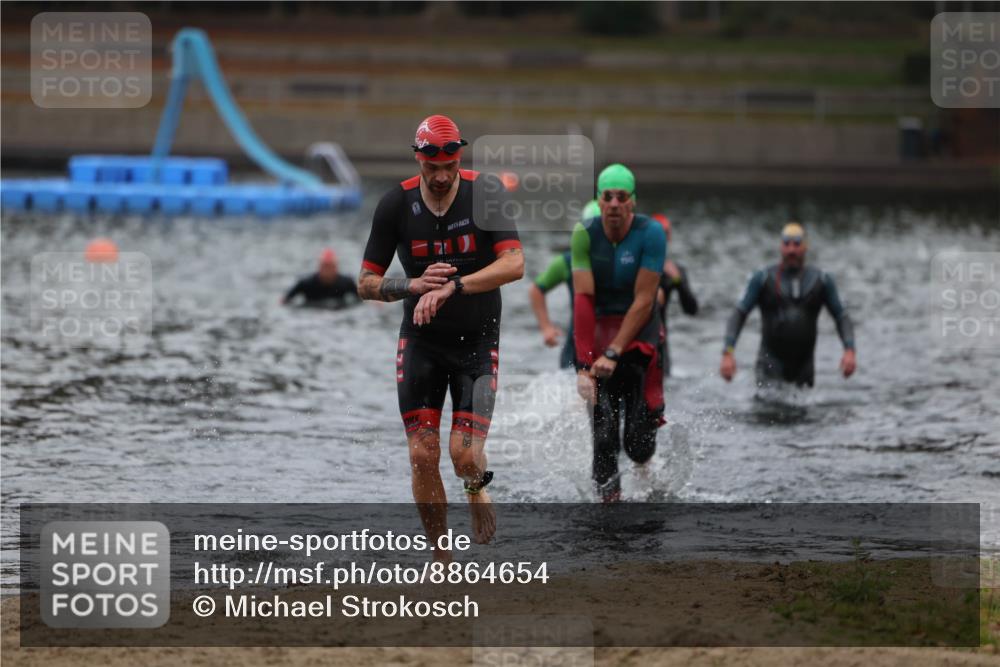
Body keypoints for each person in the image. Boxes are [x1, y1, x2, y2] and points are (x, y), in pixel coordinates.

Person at [358, 115, 523, 558]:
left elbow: (515, 264)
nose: (442, 175)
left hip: (478, 343)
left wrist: (455, 286)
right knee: (424, 454)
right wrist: (411, 286)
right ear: (418, 159)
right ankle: (442, 558)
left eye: (450, 165)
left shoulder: (485, 193)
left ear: (459, 158)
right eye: (433, 167)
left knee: (464, 456)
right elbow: (365, 283)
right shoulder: (395, 204)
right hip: (422, 343)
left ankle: (474, 488)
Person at [572, 164, 667, 502]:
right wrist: (584, 365)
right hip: (598, 335)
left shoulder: (651, 233)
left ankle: (646, 463)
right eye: (607, 196)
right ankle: (610, 510)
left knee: (638, 445)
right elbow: (582, 300)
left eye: (621, 197)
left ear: (632, 203)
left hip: (639, 336)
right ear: (598, 201)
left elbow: (644, 301)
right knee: (604, 435)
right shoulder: (583, 234)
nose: (613, 203)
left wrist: (614, 351)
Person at [720, 223, 856, 388]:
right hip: (769, 363)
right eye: (786, 244)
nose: (791, 250)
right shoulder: (762, 278)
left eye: (797, 244)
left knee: (803, 411)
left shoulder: (822, 280)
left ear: (805, 247)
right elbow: (739, 313)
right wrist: (728, 352)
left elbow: (841, 316)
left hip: (804, 366)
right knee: (768, 410)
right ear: (780, 246)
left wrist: (849, 350)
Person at [528, 200, 600, 369]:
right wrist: (546, 328)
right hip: (575, 347)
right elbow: (536, 289)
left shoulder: (624, 259)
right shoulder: (567, 261)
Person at [651, 214, 698, 377]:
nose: (662, 238)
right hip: (637, 336)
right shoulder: (635, 265)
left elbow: (692, 309)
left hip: (661, 340)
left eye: (666, 233)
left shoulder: (675, 270)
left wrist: (678, 280)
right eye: (658, 233)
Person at [281, 248, 358, 308]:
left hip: (338, 310)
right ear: (319, 267)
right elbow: (285, 301)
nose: (327, 271)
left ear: (336, 268)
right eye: (325, 266)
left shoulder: (346, 283)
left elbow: (361, 300)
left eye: (330, 266)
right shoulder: (306, 284)